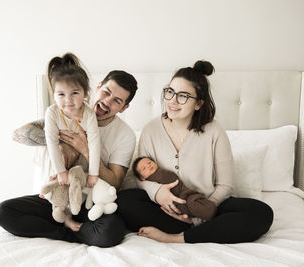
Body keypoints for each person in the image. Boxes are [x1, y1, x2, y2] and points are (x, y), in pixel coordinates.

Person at [117, 60, 274, 244]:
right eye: (170, 92)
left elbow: (225, 185)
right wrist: (159, 194)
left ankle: (177, 238)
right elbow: (141, 177)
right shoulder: (151, 129)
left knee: (261, 213)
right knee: (123, 201)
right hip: (167, 209)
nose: (173, 101)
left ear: (198, 103)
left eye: (183, 96)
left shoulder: (214, 131)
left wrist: (201, 211)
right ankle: (204, 231)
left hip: (208, 207)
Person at [0, 59, 138, 247]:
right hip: (60, 197)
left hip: (90, 202)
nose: (106, 101)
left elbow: (115, 183)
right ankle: (65, 231)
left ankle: (69, 227)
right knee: (3, 212)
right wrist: (62, 142)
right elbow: (18, 134)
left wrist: (85, 149)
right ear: (98, 87)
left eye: (116, 101)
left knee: (111, 232)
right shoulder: (65, 110)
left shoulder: (125, 135)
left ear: (124, 108)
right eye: (106, 92)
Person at [42, 53, 100, 228]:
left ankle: (77, 211)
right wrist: (60, 171)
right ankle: (63, 214)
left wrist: (94, 173)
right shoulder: (52, 113)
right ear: (53, 94)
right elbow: (51, 142)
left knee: (79, 182)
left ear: (85, 93)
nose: (68, 100)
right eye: (61, 94)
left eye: (74, 93)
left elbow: (94, 143)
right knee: (59, 183)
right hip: (61, 157)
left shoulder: (89, 114)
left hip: (80, 161)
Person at [132, 156, 216, 222]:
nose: (148, 166)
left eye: (149, 162)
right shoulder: (150, 183)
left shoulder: (162, 171)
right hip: (177, 200)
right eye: (144, 168)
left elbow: (174, 180)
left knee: (195, 202)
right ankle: (206, 214)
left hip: (184, 193)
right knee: (194, 205)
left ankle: (207, 212)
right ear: (142, 178)